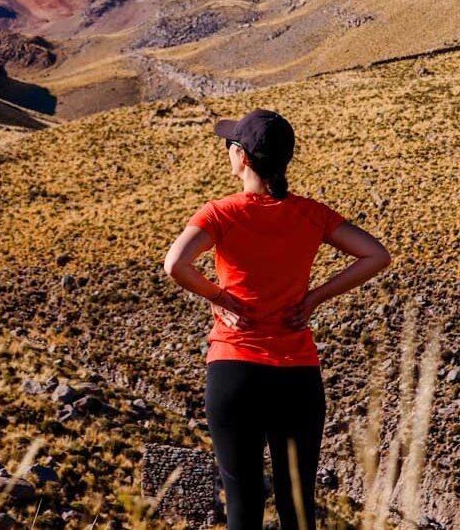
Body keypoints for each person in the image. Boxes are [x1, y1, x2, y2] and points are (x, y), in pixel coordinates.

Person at [163, 108, 391, 530]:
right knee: (297, 506)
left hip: (234, 369)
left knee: (243, 503)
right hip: (296, 375)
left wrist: (218, 297)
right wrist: (315, 298)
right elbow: (376, 255)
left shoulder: (220, 213)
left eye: (231, 145)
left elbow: (175, 264)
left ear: (242, 156)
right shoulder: (312, 214)